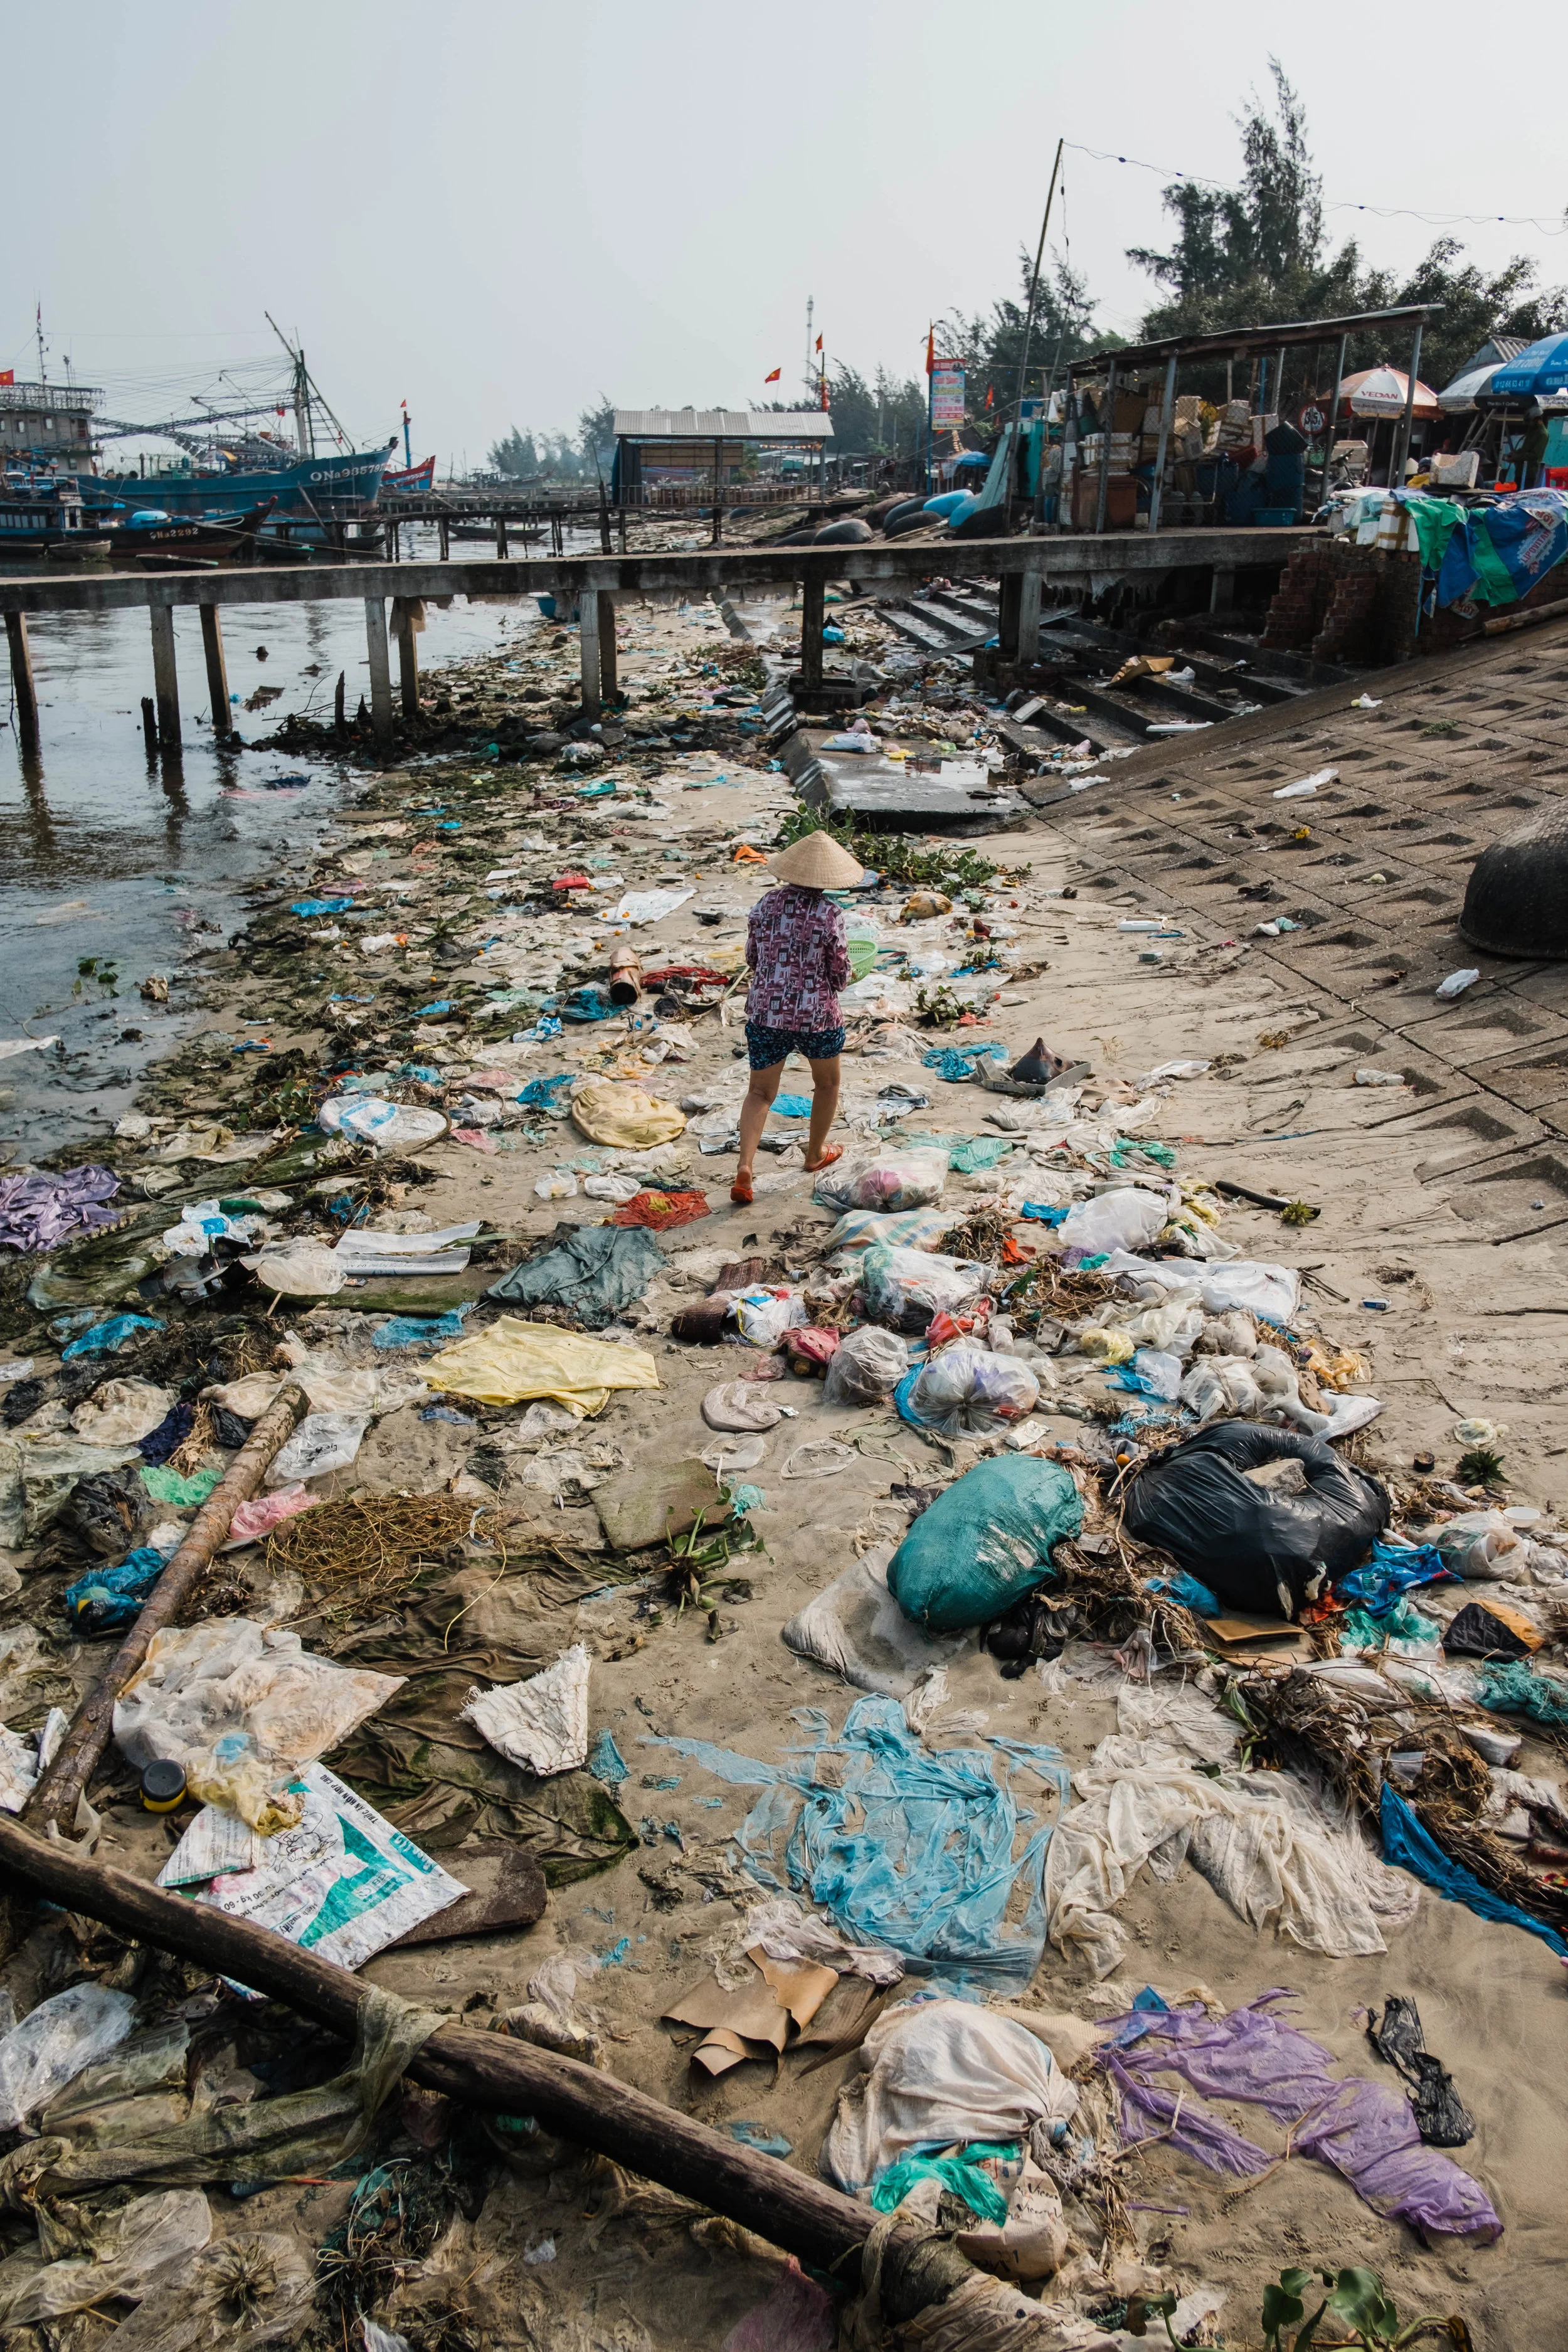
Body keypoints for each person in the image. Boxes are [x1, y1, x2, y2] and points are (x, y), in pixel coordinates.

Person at [731, 829, 864, 1207]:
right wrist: (843, 978)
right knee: (827, 1085)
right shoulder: (829, 913)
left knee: (760, 1092)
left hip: (766, 1012)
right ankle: (814, 1154)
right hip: (816, 1016)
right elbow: (838, 972)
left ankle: (745, 1167)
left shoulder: (765, 905)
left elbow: (753, 959)